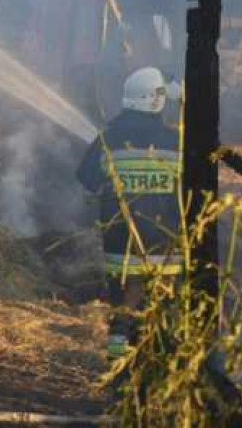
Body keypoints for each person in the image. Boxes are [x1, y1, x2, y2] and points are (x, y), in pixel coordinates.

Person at [76, 66, 182, 362]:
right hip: (165, 246)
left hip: (120, 246)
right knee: (161, 311)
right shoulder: (176, 142)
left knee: (122, 310)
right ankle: (155, 369)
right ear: (157, 100)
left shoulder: (109, 139)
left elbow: (86, 179)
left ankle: (119, 372)